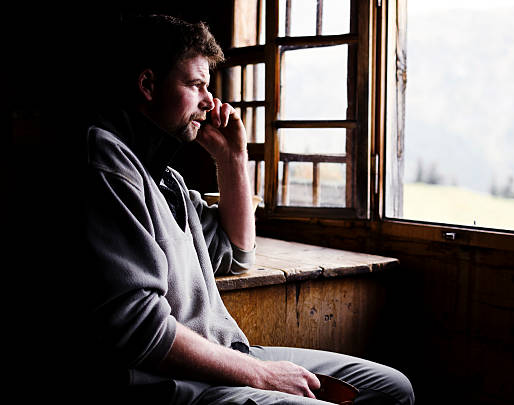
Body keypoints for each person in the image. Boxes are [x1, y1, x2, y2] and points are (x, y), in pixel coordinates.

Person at [84, 14, 414, 405]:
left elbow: (238, 254)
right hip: (179, 385)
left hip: (229, 357)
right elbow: (138, 327)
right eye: (196, 85)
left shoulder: (165, 177)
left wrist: (233, 159)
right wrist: (262, 375)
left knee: (392, 389)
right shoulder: (105, 160)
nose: (210, 101)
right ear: (148, 85)